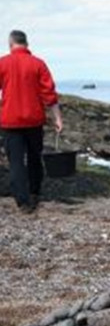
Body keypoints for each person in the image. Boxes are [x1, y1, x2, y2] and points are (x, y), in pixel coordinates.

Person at [0, 30, 63, 213]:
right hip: (34, 120)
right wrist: (57, 118)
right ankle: (35, 193)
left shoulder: (3, 63)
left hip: (10, 122)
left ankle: (23, 202)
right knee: (35, 158)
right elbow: (49, 94)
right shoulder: (38, 64)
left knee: (16, 163)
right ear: (26, 44)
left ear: (11, 43)